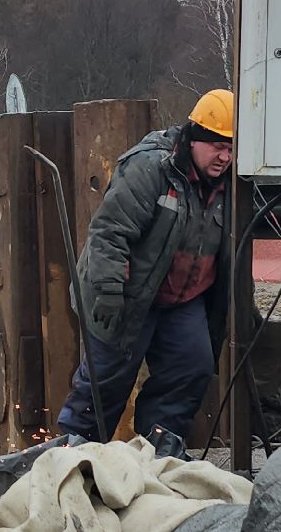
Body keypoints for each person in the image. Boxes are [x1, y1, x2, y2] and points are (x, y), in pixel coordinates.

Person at [57, 90, 234, 443]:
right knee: (106, 381)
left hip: (182, 301)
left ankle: (158, 449)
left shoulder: (233, 185)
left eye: (232, 149)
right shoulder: (149, 168)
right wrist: (108, 290)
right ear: (193, 138)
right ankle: (74, 454)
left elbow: (235, 254)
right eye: (217, 146)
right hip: (126, 294)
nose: (225, 157)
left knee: (192, 367)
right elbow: (109, 231)